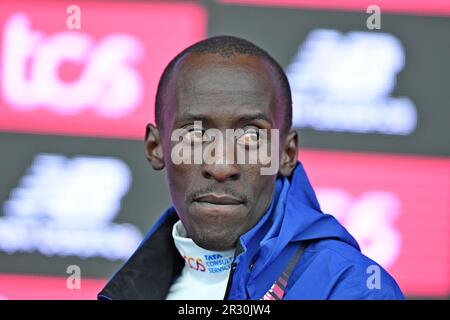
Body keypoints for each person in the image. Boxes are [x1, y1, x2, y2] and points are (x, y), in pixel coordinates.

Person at [98, 36, 404, 300]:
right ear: (156, 147)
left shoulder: (351, 288)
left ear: (287, 153)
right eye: (194, 134)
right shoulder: (135, 286)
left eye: (251, 136)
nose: (221, 165)